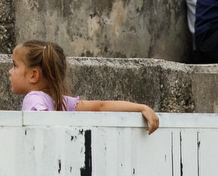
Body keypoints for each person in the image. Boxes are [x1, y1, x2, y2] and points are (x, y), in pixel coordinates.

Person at [9, 40, 159, 133]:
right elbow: (101, 106)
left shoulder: (33, 99)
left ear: (33, 75)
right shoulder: (60, 102)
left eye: (15, 65)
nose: (10, 71)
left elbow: (43, 130)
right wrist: (141, 107)